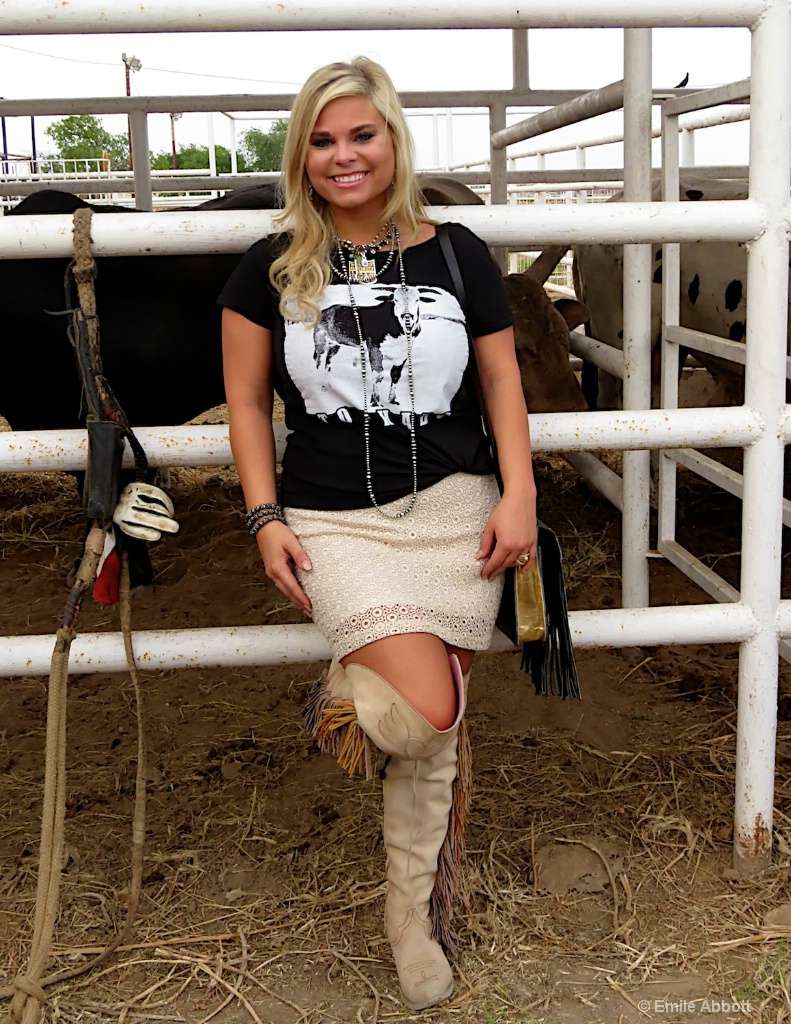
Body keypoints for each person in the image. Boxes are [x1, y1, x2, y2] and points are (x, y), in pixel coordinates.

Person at [219, 57, 537, 1011]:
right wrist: (263, 518)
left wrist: (517, 495)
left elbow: (502, 384)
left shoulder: (458, 254)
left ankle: (411, 921)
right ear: (301, 155)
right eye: (322, 140)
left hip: (456, 513)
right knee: (426, 713)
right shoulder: (268, 268)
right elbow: (242, 404)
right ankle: (349, 687)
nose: (342, 155)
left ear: (392, 140)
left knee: (431, 734)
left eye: (360, 134)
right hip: (332, 522)